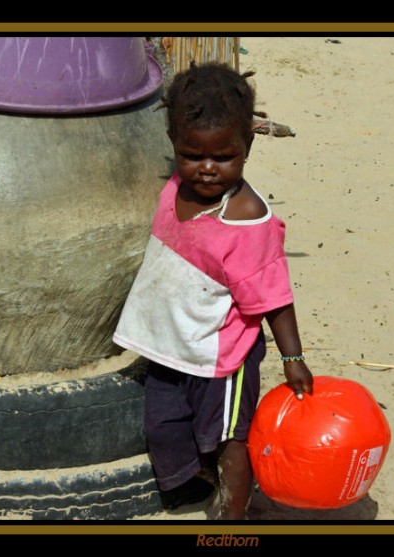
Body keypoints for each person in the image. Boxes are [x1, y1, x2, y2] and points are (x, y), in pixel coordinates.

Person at [113, 62, 313, 520]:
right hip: (171, 345)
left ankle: (233, 514)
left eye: (224, 157)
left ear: (248, 146)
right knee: (164, 427)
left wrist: (292, 357)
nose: (206, 169)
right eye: (192, 155)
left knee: (227, 439)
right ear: (174, 145)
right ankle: (191, 487)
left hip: (222, 359)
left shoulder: (246, 220)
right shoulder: (173, 189)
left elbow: (273, 296)